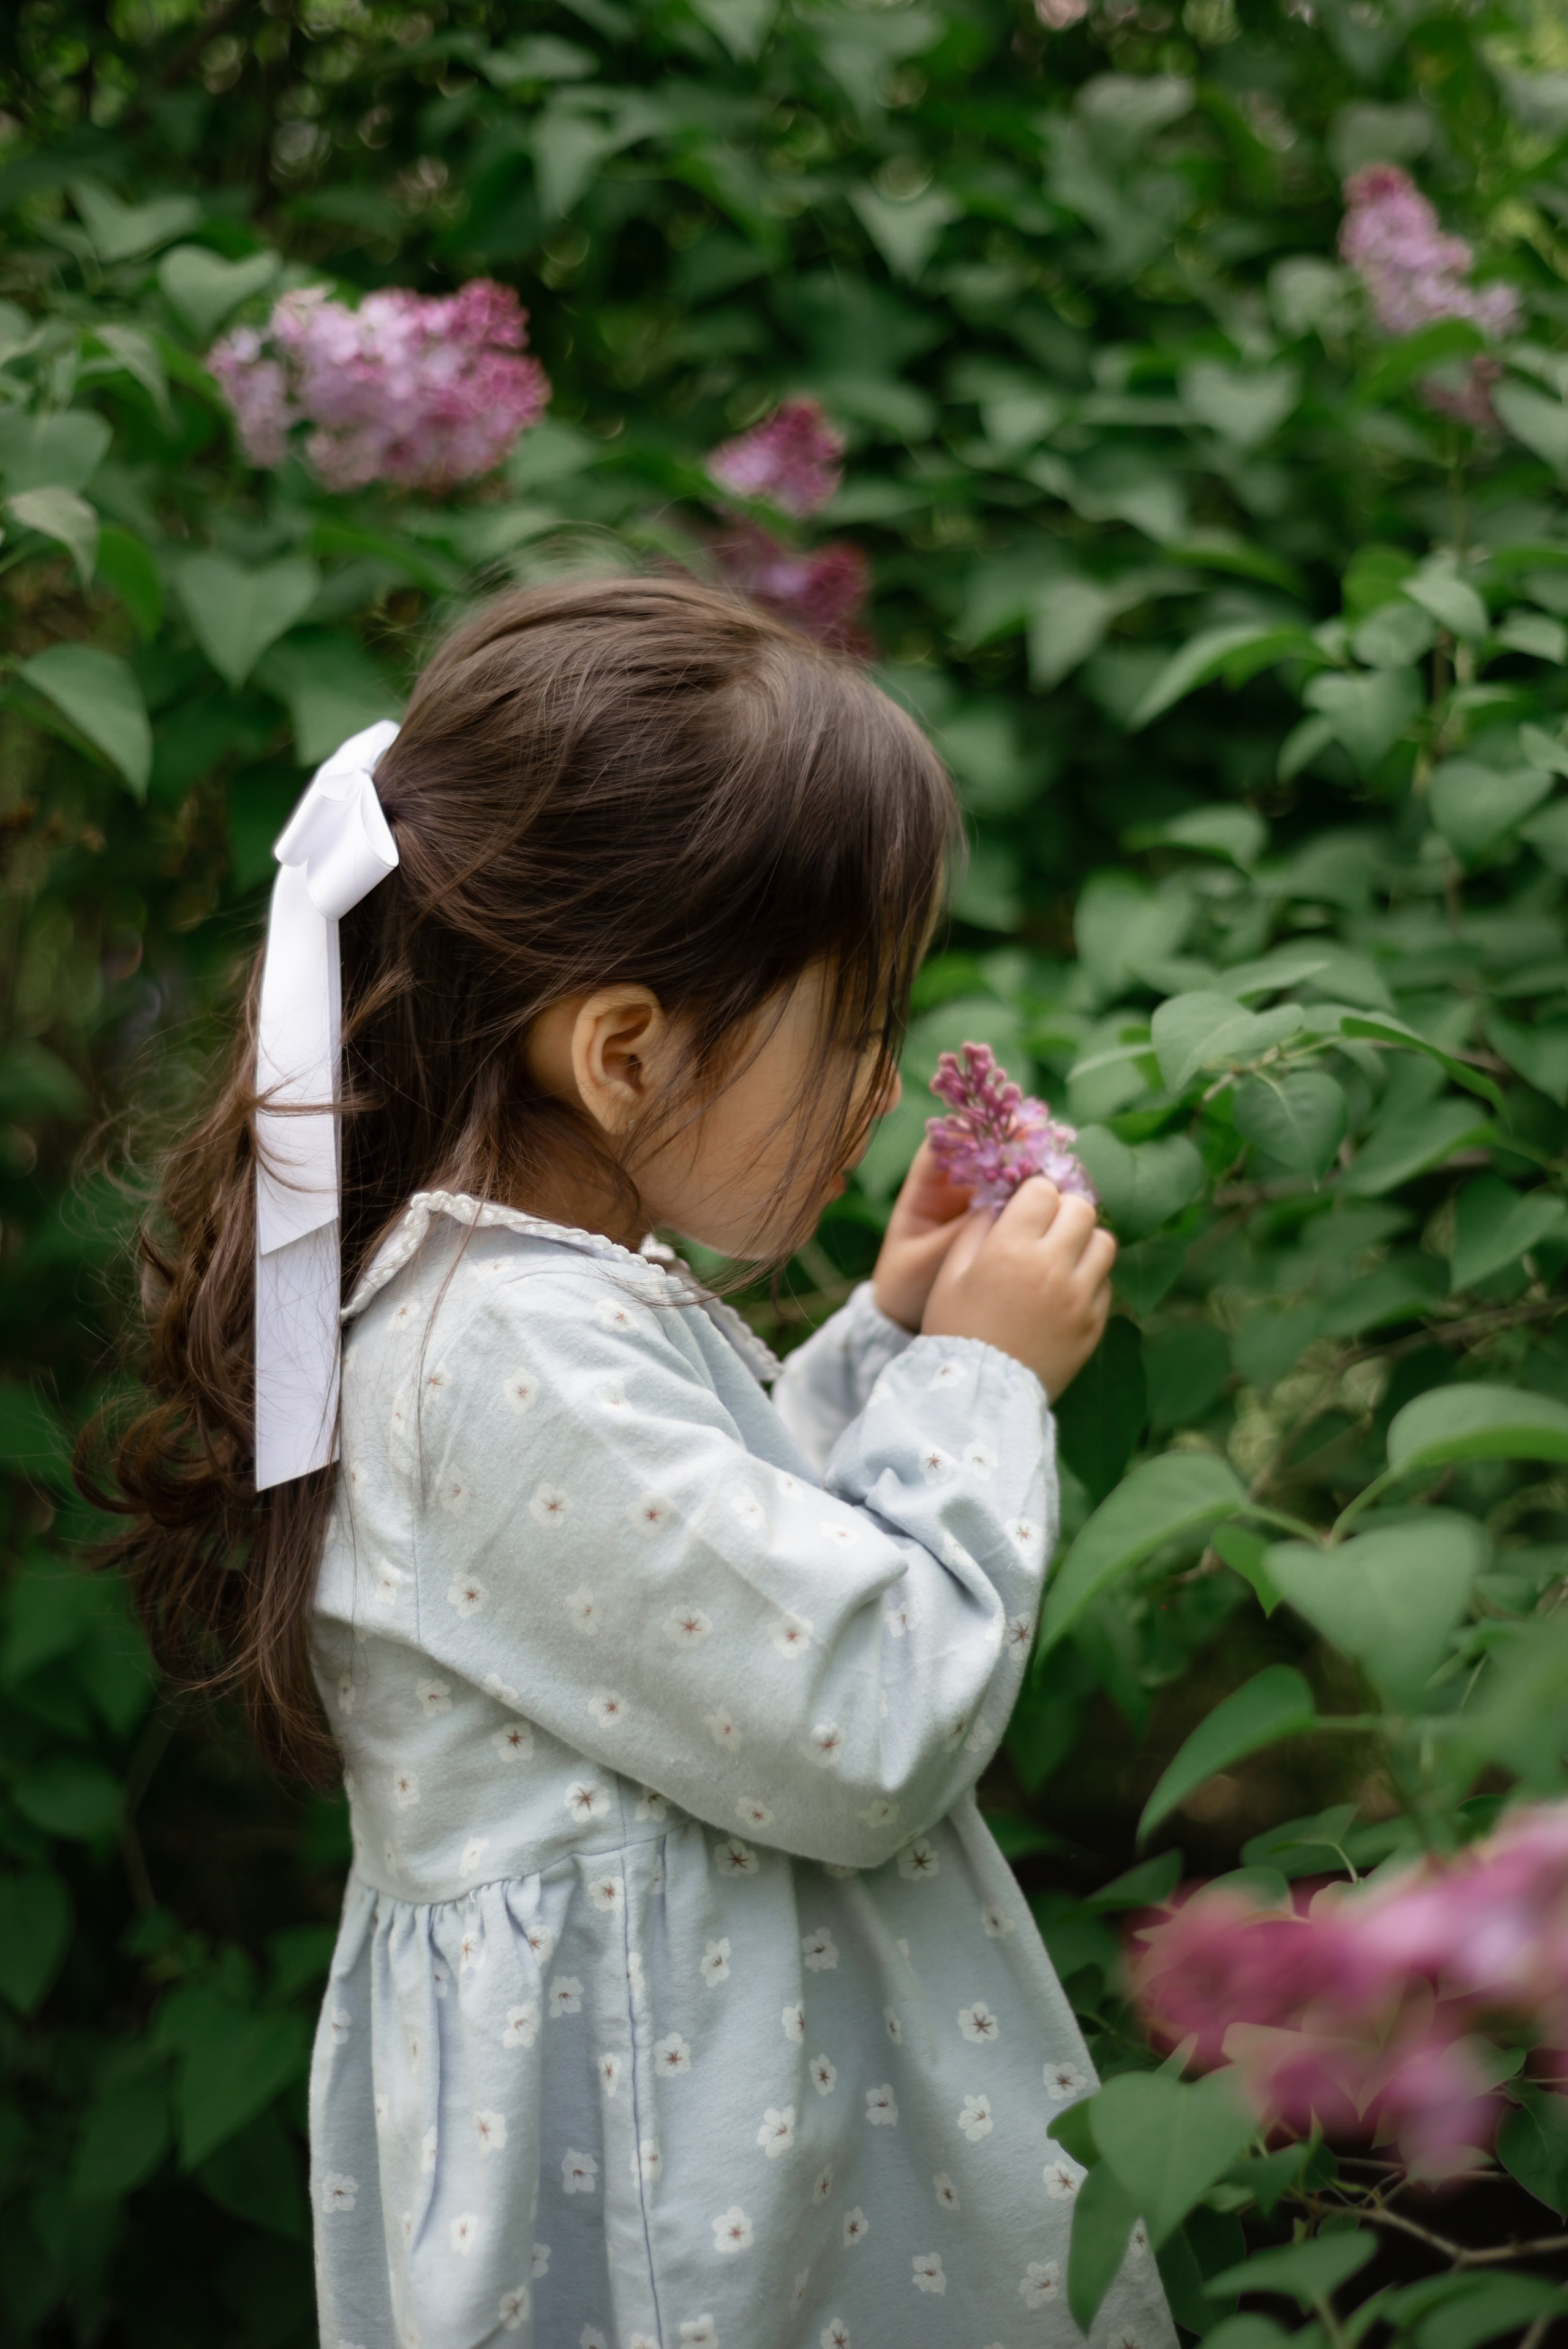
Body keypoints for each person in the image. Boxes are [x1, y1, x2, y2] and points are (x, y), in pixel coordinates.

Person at [104, 576, 1172, 2349]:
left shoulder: (526, 1310)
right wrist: (983, 1379)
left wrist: (892, 1337)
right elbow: (865, 1703)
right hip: (693, 2213)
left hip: (721, 2137)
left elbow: (697, 1594)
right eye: (848, 1028)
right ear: (621, 1052)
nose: (879, 1079)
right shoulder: (506, 1351)